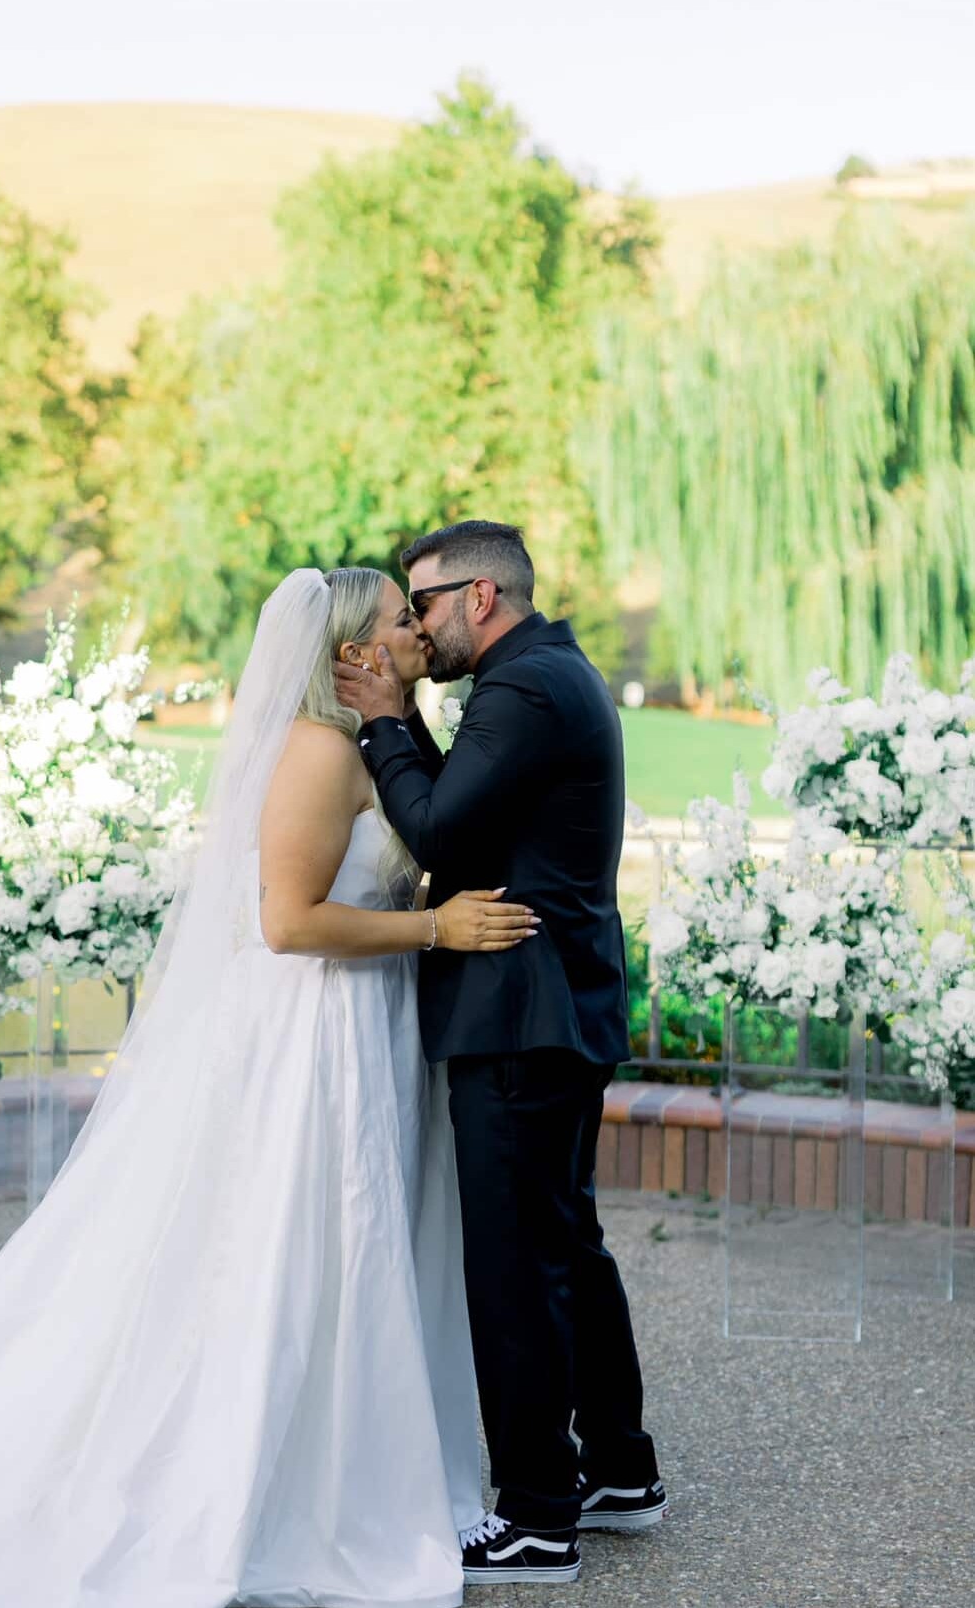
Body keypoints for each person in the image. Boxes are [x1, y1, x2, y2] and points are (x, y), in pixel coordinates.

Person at [0, 566, 536, 1608]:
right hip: (314, 1031)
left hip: (371, 1023)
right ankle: (281, 1480)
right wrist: (434, 928)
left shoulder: (372, 741)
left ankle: (355, 1451)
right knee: (304, 1234)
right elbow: (287, 921)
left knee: (357, 1234)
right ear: (354, 651)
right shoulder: (318, 752)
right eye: (402, 621)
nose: (418, 632)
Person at [335, 520, 665, 1590]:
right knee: (566, 1240)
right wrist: (413, 727)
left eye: (423, 605)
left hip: (522, 1013)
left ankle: (537, 1515)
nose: (418, 630)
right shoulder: (542, 675)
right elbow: (471, 829)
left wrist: (385, 720)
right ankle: (618, 1469)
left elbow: (435, 836)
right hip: (557, 1004)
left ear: (480, 596)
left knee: (518, 1263)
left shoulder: (522, 692)